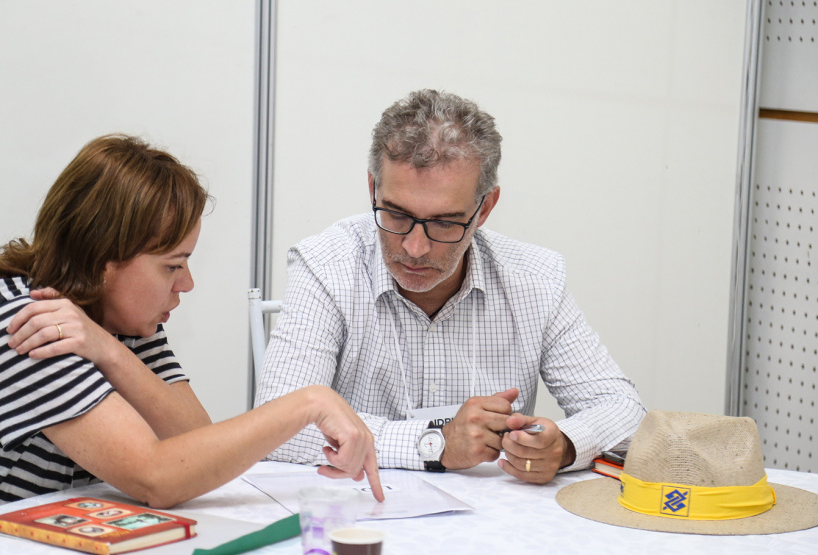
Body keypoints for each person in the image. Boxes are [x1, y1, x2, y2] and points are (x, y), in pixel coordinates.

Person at [0, 135, 383, 538]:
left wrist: (109, 350)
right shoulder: (25, 322)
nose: (186, 284)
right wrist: (309, 403)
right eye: (172, 265)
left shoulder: (114, 324)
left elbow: (196, 442)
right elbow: (157, 476)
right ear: (103, 259)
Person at [255, 89, 646, 484]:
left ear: (485, 208)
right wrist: (436, 443)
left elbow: (624, 411)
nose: (415, 247)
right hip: (358, 514)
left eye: (444, 223)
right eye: (396, 214)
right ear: (373, 188)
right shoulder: (325, 265)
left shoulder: (535, 278)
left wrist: (563, 444)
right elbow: (274, 427)